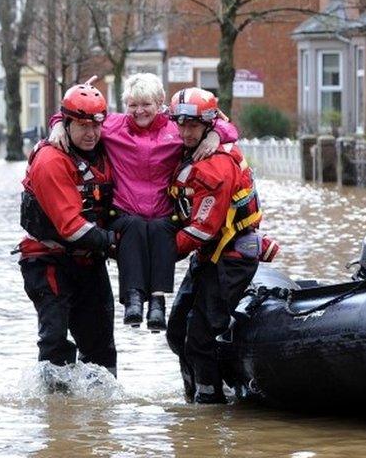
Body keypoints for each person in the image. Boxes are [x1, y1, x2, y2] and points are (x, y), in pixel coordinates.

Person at [48, 73, 239, 331]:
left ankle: (158, 302)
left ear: (161, 103)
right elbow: (80, 117)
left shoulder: (177, 129)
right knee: (134, 228)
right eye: (133, 105)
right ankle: (133, 299)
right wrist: (58, 124)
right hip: (125, 210)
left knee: (160, 231)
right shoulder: (113, 127)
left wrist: (216, 134)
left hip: (163, 213)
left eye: (146, 104)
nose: (139, 111)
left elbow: (225, 126)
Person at [163, 87, 268, 404]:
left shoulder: (215, 168)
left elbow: (201, 229)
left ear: (208, 125)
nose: (184, 132)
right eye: (179, 124)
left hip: (232, 254)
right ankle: (193, 394)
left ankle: (209, 407)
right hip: (210, 253)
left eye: (192, 125)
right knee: (176, 331)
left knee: (200, 336)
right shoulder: (201, 142)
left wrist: (157, 257)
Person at [18, 80, 119, 386]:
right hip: (50, 259)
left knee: (101, 345)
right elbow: (70, 226)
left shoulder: (105, 148)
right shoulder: (51, 160)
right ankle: (57, 416)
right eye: (82, 126)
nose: (91, 134)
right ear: (66, 124)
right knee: (56, 341)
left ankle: (101, 418)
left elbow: (151, 126)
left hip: (88, 260)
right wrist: (116, 243)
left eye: (96, 126)